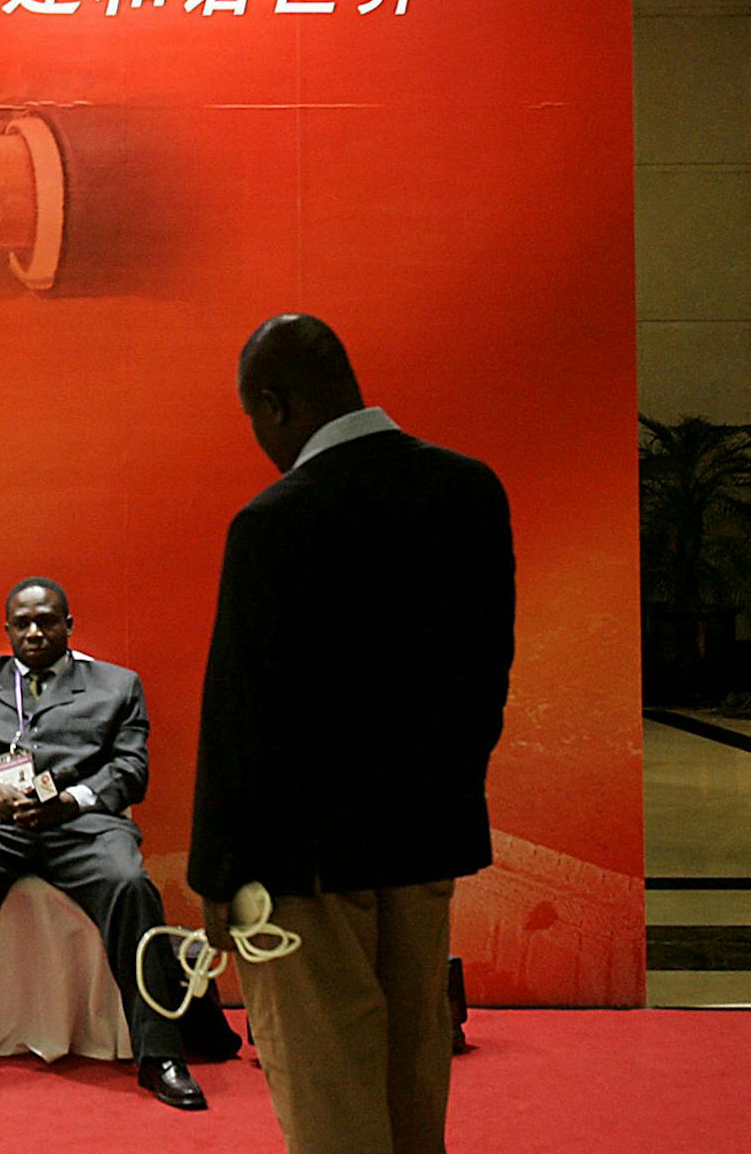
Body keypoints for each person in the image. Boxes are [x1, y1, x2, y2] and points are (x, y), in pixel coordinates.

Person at [190, 314, 515, 1154]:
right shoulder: (470, 489)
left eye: (256, 420)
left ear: (275, 403)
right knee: (414, 1080)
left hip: (306, 864)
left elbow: (240, 713)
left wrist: (218, 873)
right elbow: (488, 673)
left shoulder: (273, 523)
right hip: (426, 838)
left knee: (330, 1090)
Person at [0, 577, 225, 1111]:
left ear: (69, 625)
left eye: (47, 621)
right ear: (8, 630)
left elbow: (131, 769)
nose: (35, 632)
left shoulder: (117, 685)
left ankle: (160, 1056)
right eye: (23, 623)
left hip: (79, 825)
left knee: (131, 885)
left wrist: (74, 800)